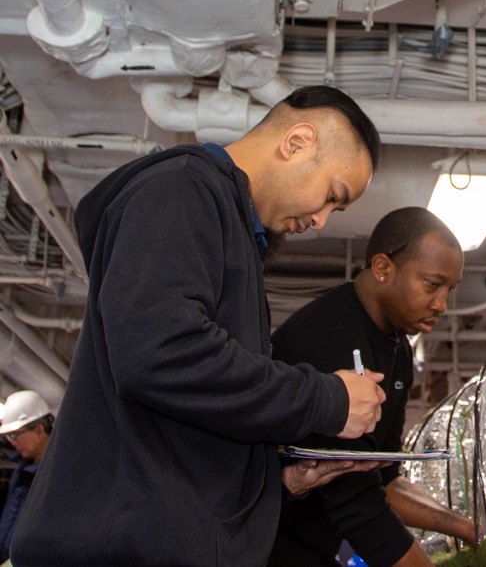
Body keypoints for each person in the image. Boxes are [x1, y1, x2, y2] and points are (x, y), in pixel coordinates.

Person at [11, 86, 388, 567]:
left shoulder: (234, 234)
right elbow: (160, 354)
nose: (319, 220)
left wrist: (276, 480)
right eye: (332, 196)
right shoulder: (180, 190)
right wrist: (327, 399)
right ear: (297, 142)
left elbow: (185, 421)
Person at [267, 207, 477, 567]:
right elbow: (358, 506)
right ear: (382, 268)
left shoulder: (398, 349)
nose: (441, 304)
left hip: (312, 548)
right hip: (261, 547)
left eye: (450, 289)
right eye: (431, 284)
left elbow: (384, 478)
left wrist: (470, 529)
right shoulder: (331, 338)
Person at [0, 391, 52, 563]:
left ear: (38, 429)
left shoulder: (54, 474)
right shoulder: (22, 469)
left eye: (15, 436)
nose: (13, 442)